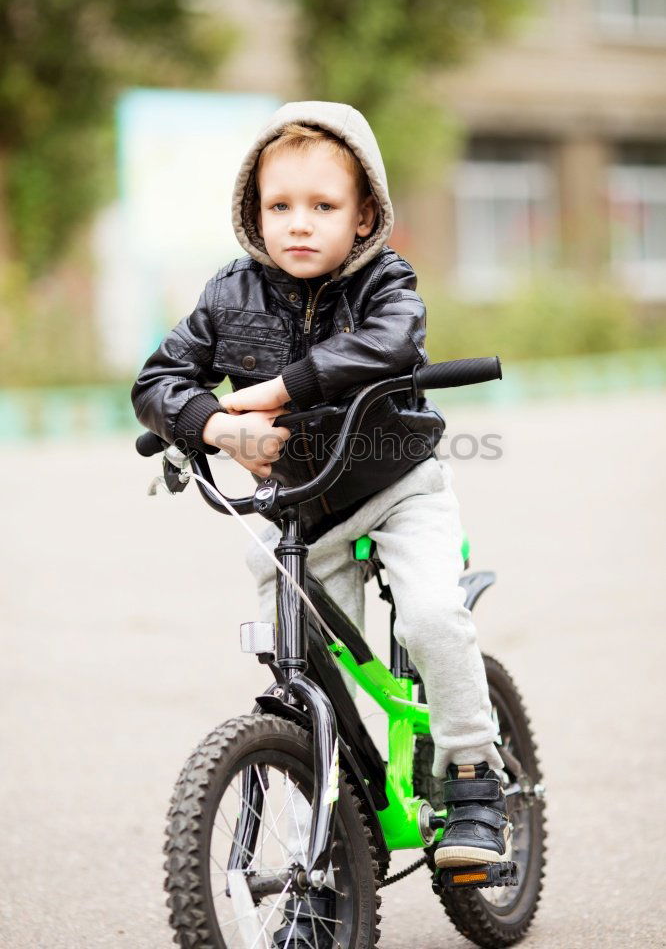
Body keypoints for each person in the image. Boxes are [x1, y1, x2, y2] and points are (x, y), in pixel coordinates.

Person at [131, 101, 510, 878]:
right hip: (301, 509)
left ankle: (474, 778)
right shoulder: (228, 295)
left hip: (399, 486)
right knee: (291, 653)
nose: (299, 224)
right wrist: (213, 425)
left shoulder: (384, 281)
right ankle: (332, 828)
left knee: (434, 617)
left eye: (323, 206)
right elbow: (159, 381)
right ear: (252, 210)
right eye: (280, 206)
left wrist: (276, 390)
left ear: (365, 213)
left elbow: (392, 341)